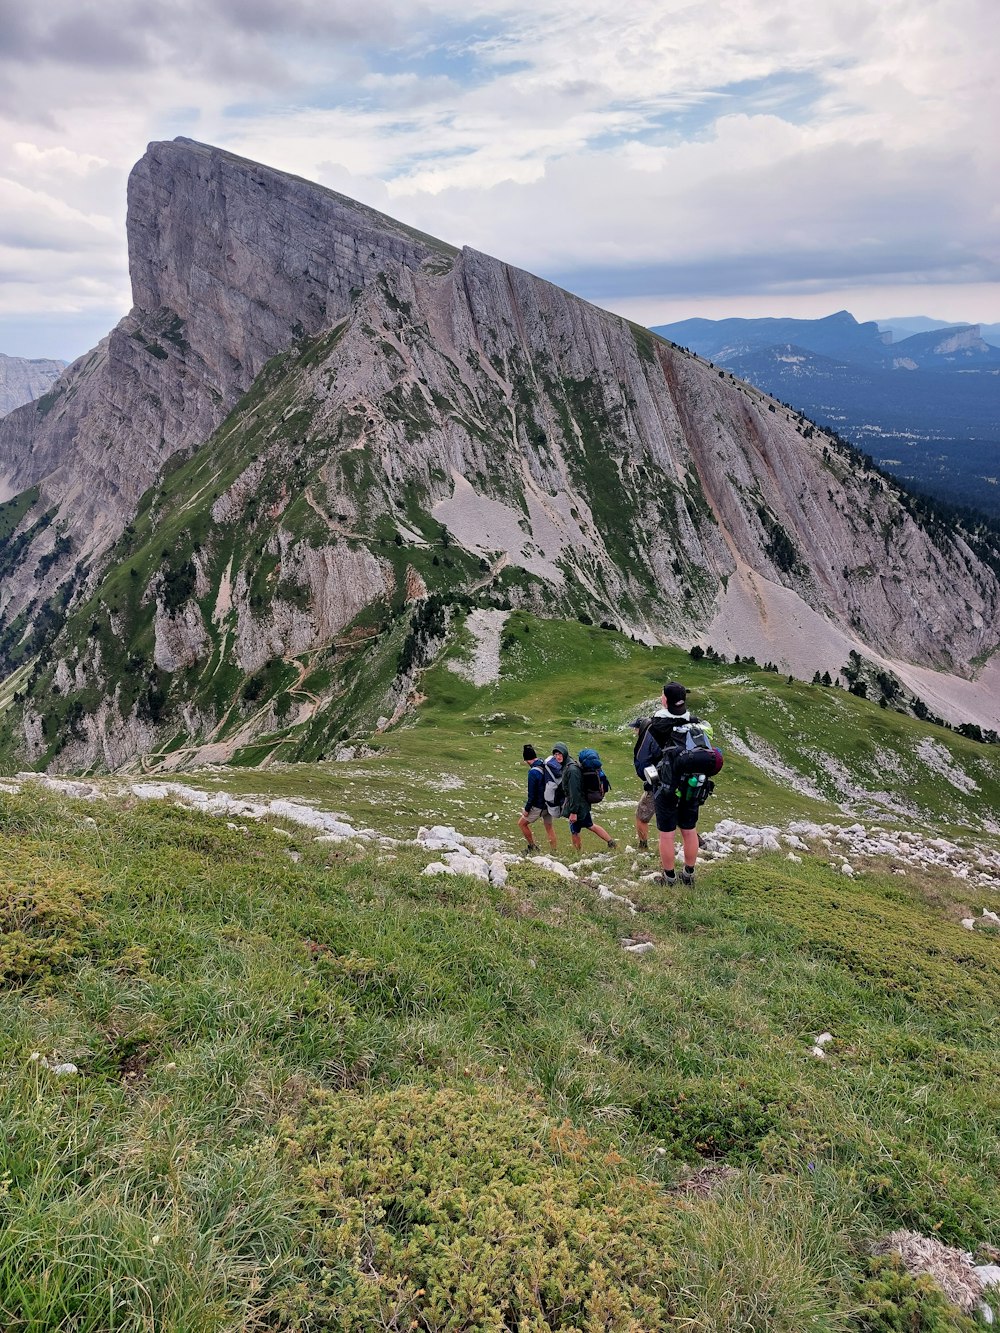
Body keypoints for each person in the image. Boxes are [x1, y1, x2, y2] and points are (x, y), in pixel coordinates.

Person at [647, 682, 706, 887]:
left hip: (667, 787)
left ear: (665, 700)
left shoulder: (657, 726)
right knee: (689, 830)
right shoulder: (696, 724)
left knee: (667, 834)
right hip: (693, 784)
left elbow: (645, 757)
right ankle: (688, 875)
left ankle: (669, 878)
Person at [556, 742, 617, 853]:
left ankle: (577, 854)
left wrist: (573, 812)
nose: (558, 757)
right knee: (590, 825)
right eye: (555, 754)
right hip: (582, 804)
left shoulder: (571, 770)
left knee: (575, 830)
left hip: (578, 806)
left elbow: (574, 792)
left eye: (560, 754)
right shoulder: (570, 764)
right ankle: (611, 843)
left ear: (565, 753)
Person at [518, 744, 558, 853]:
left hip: (539, 806)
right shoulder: (544, 764)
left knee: (522, 824)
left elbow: (532, 794)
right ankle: (554, 852)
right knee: (549, 827)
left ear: (527, 760)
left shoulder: (533, 772)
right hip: (549, 803)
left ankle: (532, 847)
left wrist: (527, 810)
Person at [629, 716, 655, 851]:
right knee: (679, 814)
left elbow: (643, 764)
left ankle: (643, 846)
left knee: (641, 816)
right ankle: (698, 841)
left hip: (655, 785)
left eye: (636, 728)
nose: (635, 731)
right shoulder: (661, 735)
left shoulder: (647, 739)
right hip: (674, 783)